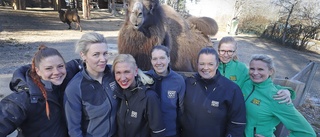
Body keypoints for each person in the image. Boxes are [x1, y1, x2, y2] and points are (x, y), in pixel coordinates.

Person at [0, 45, 80, 137]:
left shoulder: (67, 80)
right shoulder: (24, 99)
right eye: (48, 68)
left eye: (60, 66)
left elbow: (88, 63)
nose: (57, 72)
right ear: (37, 71)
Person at [242, 54, 316, 137]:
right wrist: (288, 90)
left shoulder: (278, 97)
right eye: (252, 69)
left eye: (260, 69)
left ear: (271, 71)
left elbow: (307, 133)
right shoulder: (246, 83)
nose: (255, 73)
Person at [181, 47, 246, 137]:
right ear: (197, 65)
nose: (205, 68)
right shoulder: (188, 83)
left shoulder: (231, 89)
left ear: (217, 65)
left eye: (210, 64)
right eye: (202, 64)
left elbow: (237, 123)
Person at [64, 32, 118, 137]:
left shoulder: (114, 73)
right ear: (83, 55)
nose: (103, 59)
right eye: (96, 54)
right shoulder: (75, 88)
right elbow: (74, 130)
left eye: (105, 53)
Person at [217, 36, 294, 104]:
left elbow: (261, 84)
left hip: (231, 108)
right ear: (218, 50)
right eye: (223, 51)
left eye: (230, 51)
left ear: (235, 52)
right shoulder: (212, 66)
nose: (226, 55)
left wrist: (286, 90)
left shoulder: (241, 68)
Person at [112, 54, 166, 137]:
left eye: (127, 72)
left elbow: (158, 132)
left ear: (136, 71)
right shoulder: (118, 94)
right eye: (118, 73)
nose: (122, 78)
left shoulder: (149, 97)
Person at [146, 45, 185, 137]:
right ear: (151, 61)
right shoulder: (145, 78)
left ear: (169, 59)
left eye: (162, 58)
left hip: (170, 133)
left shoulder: (178, 80)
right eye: (155, 59)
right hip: (149, 133)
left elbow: (181, 109)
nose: (158, 62)